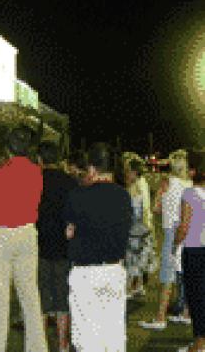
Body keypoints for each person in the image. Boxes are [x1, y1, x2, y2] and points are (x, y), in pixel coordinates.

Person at [0, 126, 48, 352]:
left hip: (1, 235)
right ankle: (38, 347)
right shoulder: (36, 172)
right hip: (28, 233)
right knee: (30, 294)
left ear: (8, 148)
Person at [64, 142, 132, 352]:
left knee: (87, 339)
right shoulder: (124, 196)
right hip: (114, 270)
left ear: (91, 169)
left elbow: (69, 233)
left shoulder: (77, 195)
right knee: (113, 336)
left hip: (85, 273)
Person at [140, 149, 192, 330]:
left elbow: (156, 208)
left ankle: (160, 317)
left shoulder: (166, 183)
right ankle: (186, 313)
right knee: (185, 274)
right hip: (188, 232)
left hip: (171, 231)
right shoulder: (190, 184)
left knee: (166, 277)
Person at [36, 141, 79, 352]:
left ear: (40, 160)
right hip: (64, 247)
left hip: (40, 246)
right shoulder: (70, 182)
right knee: (63, 296)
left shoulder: (34, 181)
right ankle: (63, 344)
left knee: (42, 295)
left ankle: (42, 344)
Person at [173, 148, 205, 352]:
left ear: (193, 172)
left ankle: (200, 342)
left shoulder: (190, 193)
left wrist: (175, 244)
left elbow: (184, 226)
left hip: (194, 250)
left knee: (195, 296)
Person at [124, 159, 157, 299]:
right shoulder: (143, 183)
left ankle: (130, 288)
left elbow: (137, 210)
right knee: (141, 258)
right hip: (145, 226)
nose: (125, 173)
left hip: (137, 228)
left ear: (134, 172)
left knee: (133, 259)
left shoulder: (135, 187)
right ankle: (138, 286)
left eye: (127, 170)